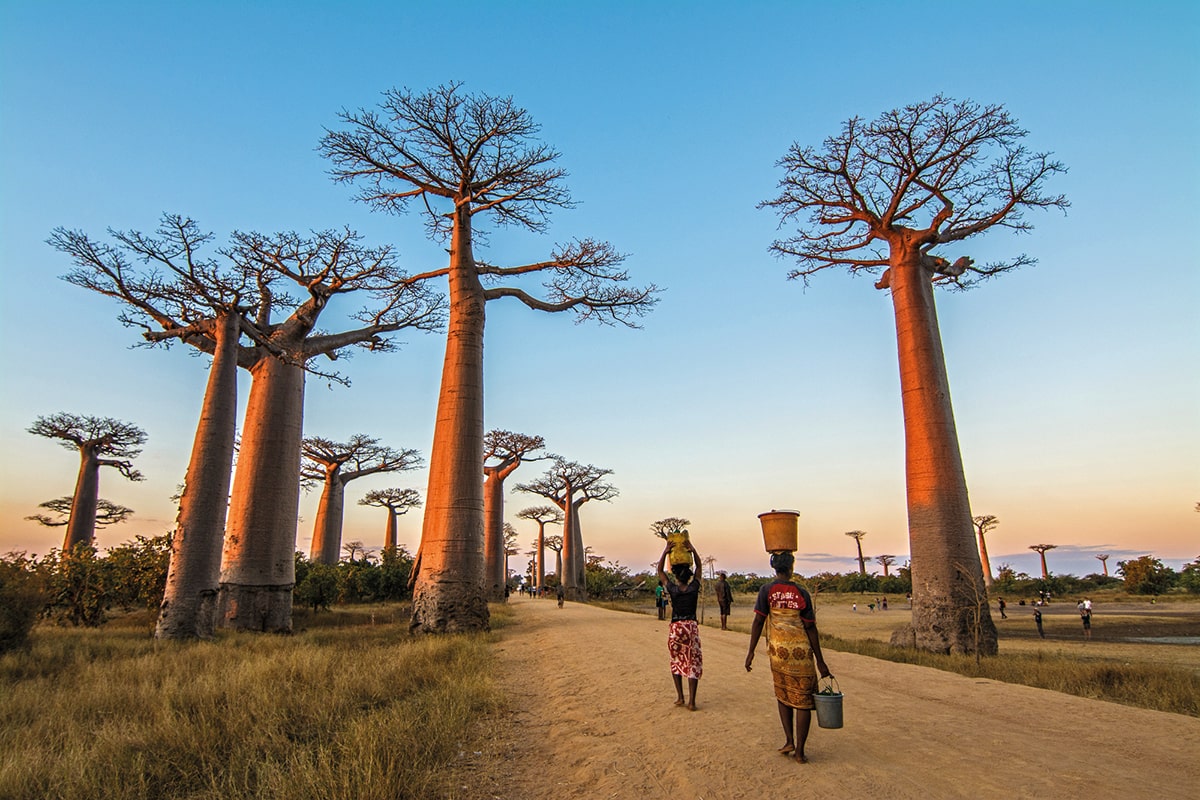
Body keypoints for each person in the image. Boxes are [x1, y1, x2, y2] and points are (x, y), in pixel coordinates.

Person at [744, 551, 831, 764]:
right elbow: (810, 628)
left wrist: (751, 651)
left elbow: (758, 622)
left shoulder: (767, 590)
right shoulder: (801, 592)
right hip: (801, 654)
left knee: (783, 695)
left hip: (778, 653)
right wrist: (820, 661)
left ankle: (789, 740)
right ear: (791, 567)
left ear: (774, 568)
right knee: (803, 700)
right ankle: (800, 752)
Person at [658, 538, 703, 710]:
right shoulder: (693, 589)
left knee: (676, 661)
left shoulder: (673, 589)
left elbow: (660, 571)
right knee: (692, 662)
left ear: (675, 575)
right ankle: (692, 701)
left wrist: (665, 551)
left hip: (676, 627)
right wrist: (693, 549)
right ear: (689, 575)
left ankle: (680, 697)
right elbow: (699, 568)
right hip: (691, 626)